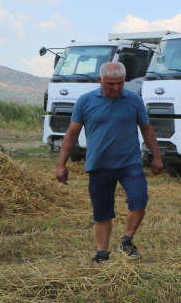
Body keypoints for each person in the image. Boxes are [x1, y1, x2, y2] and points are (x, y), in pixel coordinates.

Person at [54, 62, 164, 263]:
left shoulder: (134, 100)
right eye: (110, 84)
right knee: (102, 211)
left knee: (139, 201)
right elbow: (72, 134)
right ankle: (102, 254)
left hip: (130, 163)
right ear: (99, 80)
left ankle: (127, 242)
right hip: (99, 164)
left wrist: (156, 157)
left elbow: (146, 129)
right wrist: (61, 164)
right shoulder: (85, 101)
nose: (115, 88)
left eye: (120, 83)